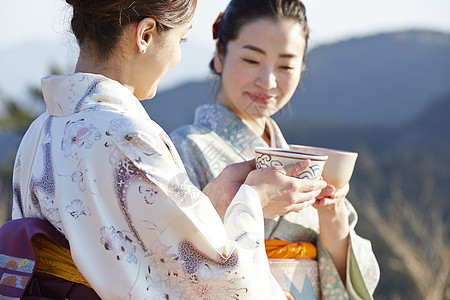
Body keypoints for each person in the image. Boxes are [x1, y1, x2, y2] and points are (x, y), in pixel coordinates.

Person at [0, 0, 330, 299]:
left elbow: (144, 250)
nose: (177, 57)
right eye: (181, 39)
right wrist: (253, 202)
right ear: (145, 34)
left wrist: (214, 202)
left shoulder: (41, 128)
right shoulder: (125, 136)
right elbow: (222, 287)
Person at [170, 0, 380, 299]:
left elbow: (360, 283)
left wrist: (332, 210)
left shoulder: (301, 162)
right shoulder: (183, 148)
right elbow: (169, 258)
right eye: (252, 60)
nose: (268, 81)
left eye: (285, 66)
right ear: (219, 56)